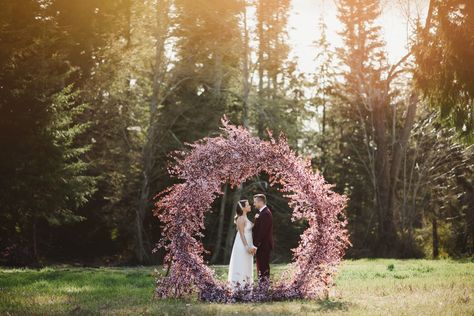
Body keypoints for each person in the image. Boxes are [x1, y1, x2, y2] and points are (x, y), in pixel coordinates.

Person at [228, 199, 254, 290]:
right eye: (247, 205)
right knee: (241, 263)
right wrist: (246, 246)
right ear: (243, 208)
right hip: (242, 245)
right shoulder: (240, 218)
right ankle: (239, 288)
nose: (250, 206)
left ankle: (247, 286)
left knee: (247, 264)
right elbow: (242, 234)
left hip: (249, 243)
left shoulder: (246, 217)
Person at [251, 193, 274, 285]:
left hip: (263, 245)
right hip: (263, 245)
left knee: (263, 266)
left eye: (255, 202)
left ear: (261, 202)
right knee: (261, 266)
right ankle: (263, 287)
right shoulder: (263, 212)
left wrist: (256, 245)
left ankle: (264, 288)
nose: (254, 204)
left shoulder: (265, 213)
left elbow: (262, 232)